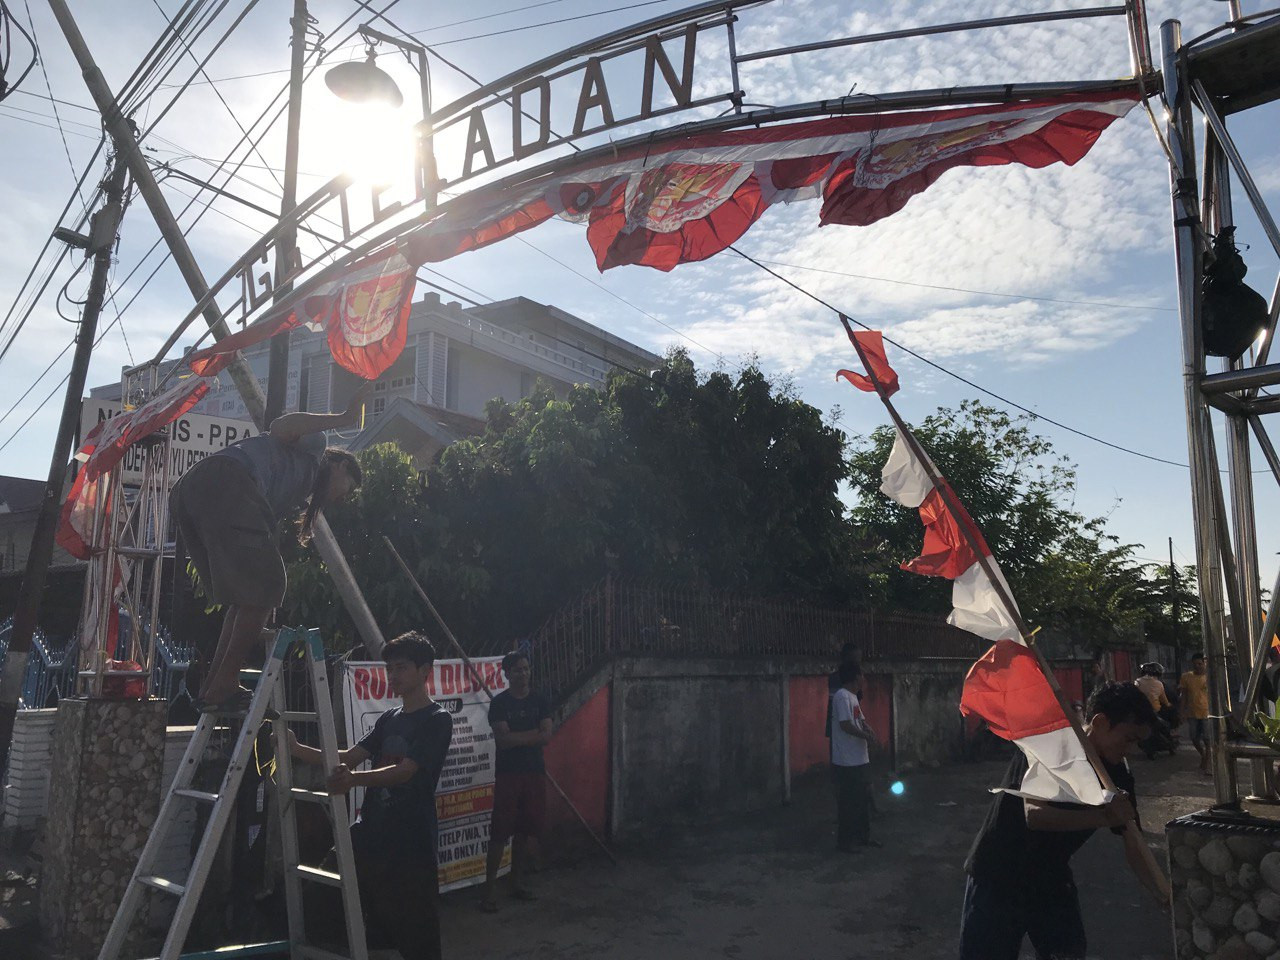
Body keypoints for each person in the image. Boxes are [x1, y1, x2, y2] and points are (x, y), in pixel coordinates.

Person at [170, 385, 369, 712]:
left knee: (244, 596)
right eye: (346, 491)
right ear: (341, 467)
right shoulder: (315, 449)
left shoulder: (292, 483)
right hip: (226, 480)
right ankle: (223, 685)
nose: (340, 500)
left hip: (193, 491)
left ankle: (212, 688)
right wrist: (346, 417)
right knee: (269, 584)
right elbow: (281, 427)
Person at [958, 682, 1166, 960]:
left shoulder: (1117, 775)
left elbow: (1132, 838)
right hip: (998, 874)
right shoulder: (1050, 746)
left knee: (1067, 953)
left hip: (1050, 877)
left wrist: (1160, 891)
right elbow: (1034, 815)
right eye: (1128, 739)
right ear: (1101, 723)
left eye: (1138, 742)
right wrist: (1102, 816)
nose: (1132, 749)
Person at [287, 632, 453, 960]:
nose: (393, 675)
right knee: (328, 894)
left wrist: (353, 780)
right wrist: (296, 749)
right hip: (372, 831)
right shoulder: (388, 719)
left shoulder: (437, 719)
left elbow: (407, 771)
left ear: (424, 671)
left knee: (417, 928)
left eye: (401, 668)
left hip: (411, 840)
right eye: (389, 669)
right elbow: (347, 757)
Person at [481, 650, 553, 912]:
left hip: (534, 772)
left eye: (526, 668)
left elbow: (547, 736)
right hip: (508, 774)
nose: (523, 674)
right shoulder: (500, 703)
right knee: (500, 832)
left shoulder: (540, 700)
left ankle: (516, 883)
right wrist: (534, 734)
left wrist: (518, 737)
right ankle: (488, 892)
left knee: (525, 830)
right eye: (518, 670)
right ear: (507, 674)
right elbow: (503, 741)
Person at [831, 661, 876, 852]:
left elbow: (859, 720)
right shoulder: (842, 697)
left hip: (859, 757)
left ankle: (862, 837)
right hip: (847, 760)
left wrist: (868, 729)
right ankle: (846, 842)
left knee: (862, 800)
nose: (864, 679)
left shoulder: (852, 697)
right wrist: (866, 735)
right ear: (855, 677)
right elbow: (846, 725)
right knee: (849, 802)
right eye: (862, 675)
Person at [1179, 652, 1211, 776]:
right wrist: (1182, 712)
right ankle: (1202, 755)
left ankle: (1207, 764)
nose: (1197, 666)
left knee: (1208, 740)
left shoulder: (1209, 677)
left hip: (1207, 713)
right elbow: (1184, 696)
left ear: (1204, 664)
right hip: (1192, 713)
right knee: (1194, 738)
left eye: (1199, 664)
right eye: (1195, 664)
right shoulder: (1186, 677)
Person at [825, 642, 861, 744]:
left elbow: (857, 705)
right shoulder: (837, 679)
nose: (858, 662)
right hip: (839, 725)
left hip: (851, 725)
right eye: (855, 659)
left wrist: (859, 723)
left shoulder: (856, 679)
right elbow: (834, 706)